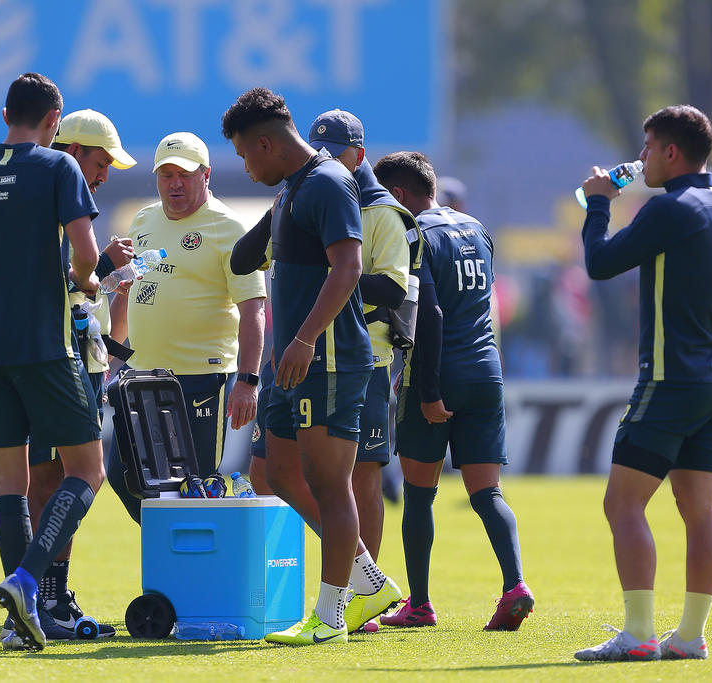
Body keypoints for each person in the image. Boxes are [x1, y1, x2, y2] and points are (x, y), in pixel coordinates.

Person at [572, 105, 712, 662]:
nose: (640, 158)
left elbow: (598, 265)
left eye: (647, 147)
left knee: (622, 505)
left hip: (668, 382)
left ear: (671, 152)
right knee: (700, 511)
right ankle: (689, 637)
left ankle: (640, 634)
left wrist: (598, 203)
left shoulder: (669, 209)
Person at [0, 73, 105, 652]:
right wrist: (83, 282)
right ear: (54, 120)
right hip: (47, 348)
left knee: (11, 481)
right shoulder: (59, 169)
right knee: (87, 469)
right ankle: (27, 580)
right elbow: (85, 255)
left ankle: (18, 622)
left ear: (6, 112)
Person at [222, 88, 401, 645]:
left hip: (326, 359)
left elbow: (347, 270)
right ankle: (370, 579)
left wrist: (301, 340)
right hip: (291, 360)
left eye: (246, 155)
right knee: (277, 474)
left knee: (330, 485)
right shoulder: (294, 189)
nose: (246, 167)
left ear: (268, 143)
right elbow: (245, 260)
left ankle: (329, 617)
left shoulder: (327, 183)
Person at [373, 151, 535, 632]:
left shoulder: (414, 235)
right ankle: (516, 585)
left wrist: (425, 387)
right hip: (486, 373)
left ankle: (419, 604)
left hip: (438, 377)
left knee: (419, 497)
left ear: (398, 195)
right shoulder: (476, 228)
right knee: (488, 493)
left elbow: (430, 314)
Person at [2, 108, 137, 644]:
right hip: (57, 360)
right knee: (70, 476)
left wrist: (102, 287)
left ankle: (39, 603)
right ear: (73, 151)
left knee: (42, 479)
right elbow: (59, 286)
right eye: (100, 163)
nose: (103, 175)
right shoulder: (58, 198)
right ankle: (39, 593)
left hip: (37, 354)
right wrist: (100, 269)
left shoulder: (38, 196)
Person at [107, 131, 266, 523]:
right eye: (167, 174)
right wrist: (110, 354)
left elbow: (253, 310)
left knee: (194, 488)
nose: (175, 183)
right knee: (121, 475)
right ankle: (171, 554)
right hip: (140, 374)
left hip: (199, 377)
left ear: (206, 175)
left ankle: (198, 574)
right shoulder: (143, 220)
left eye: (186, 174)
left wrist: (248, 380)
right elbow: (130, 289)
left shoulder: (229, 227)